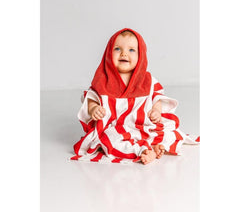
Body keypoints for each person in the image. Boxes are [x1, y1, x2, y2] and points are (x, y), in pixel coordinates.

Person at [71, 28, 199, 165]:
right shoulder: (103, 81)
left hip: (142, 126)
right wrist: (94, 109)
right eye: (117, 49)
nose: (124, 53)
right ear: (108, 53)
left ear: (141, 55)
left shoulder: (147, 80)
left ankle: (154, 146)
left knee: (168, 133)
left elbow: (156, 96)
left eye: (131, 50)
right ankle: (141, 150)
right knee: (108, 139)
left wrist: (156, 110)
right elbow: (91, 98)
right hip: (115, 128)